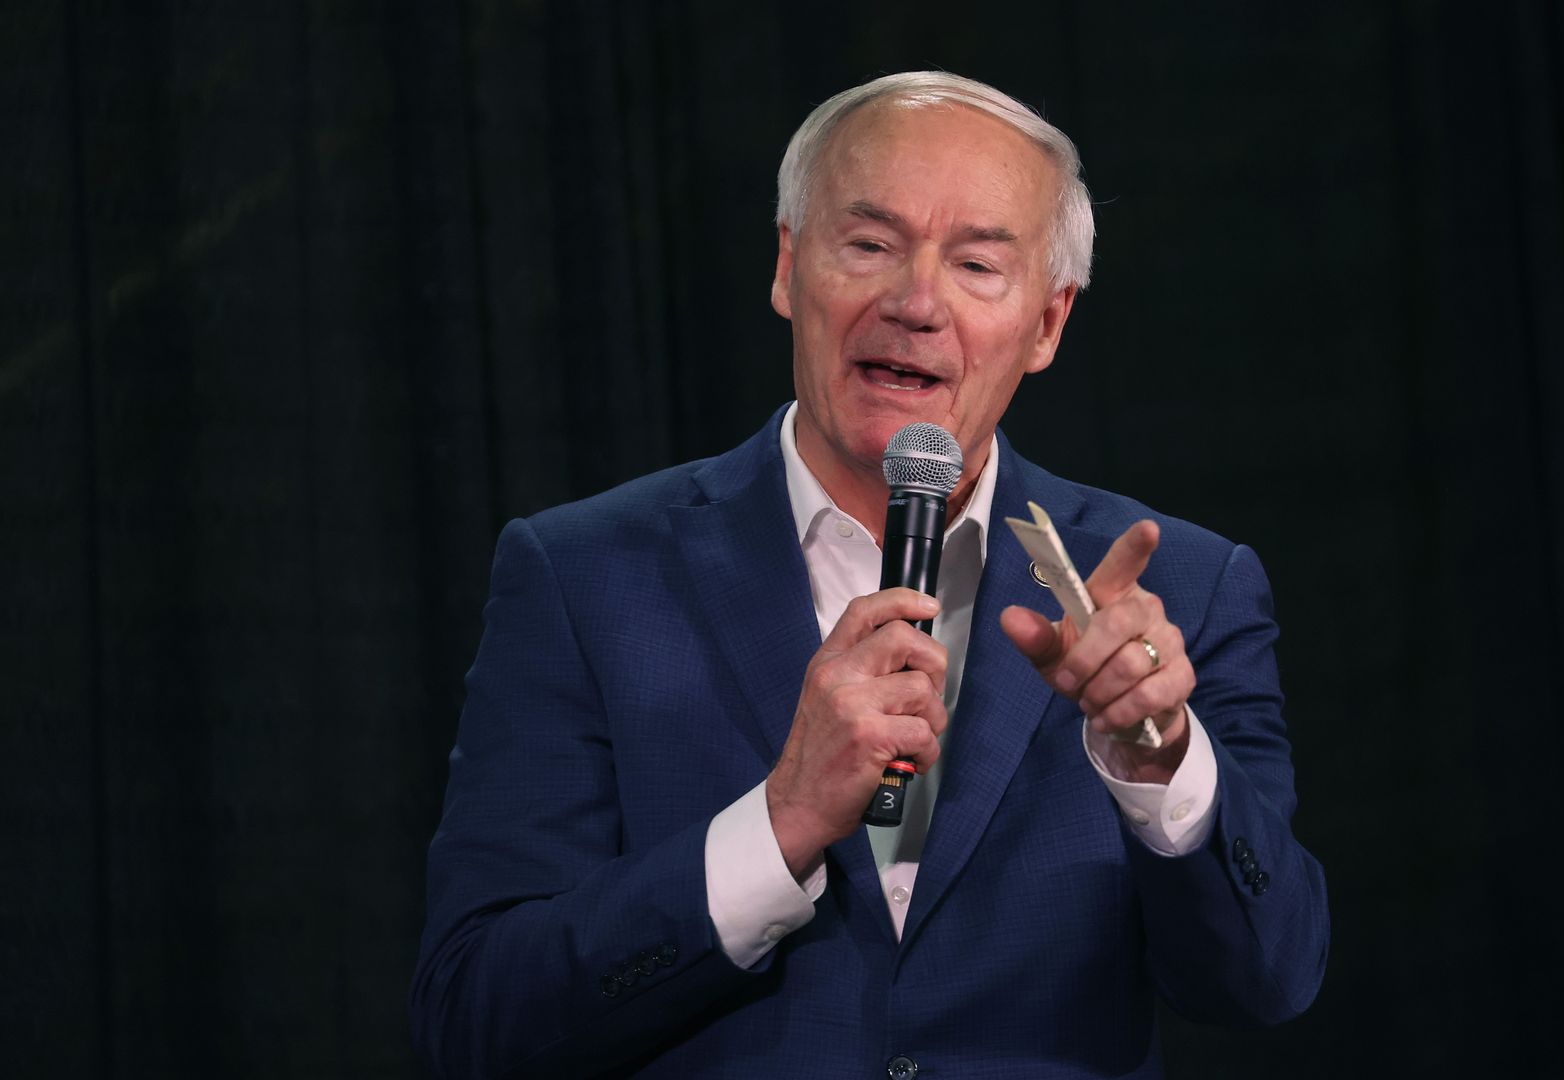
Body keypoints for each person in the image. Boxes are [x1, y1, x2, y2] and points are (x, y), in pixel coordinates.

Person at [411, 71, 1328, 1079]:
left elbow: (1266, 978)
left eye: (978, 264)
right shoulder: (584, 578)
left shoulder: (1182, 591)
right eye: (870, 245)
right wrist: (781, 823)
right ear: (787, 266)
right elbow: (477, 1020)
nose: (916, 302)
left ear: (1048, 323)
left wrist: (1166, 773)